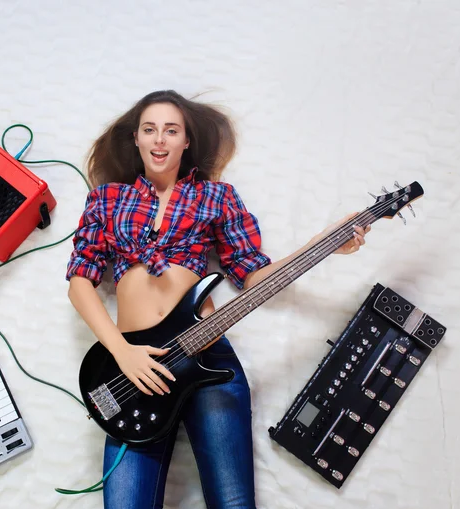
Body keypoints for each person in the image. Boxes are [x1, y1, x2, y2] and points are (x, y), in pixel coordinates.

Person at [66, 90, 370, 509]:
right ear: (135, 138)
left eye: (171, 131)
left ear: (186, 141)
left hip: (207, 356)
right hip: (134, 366)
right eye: (150, 130)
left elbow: (254, 274)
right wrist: (121, 352)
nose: (160, 140)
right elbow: (80, 283)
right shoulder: (106, 199)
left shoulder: (217, 197)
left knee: (234, 504)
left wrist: (321, 245)